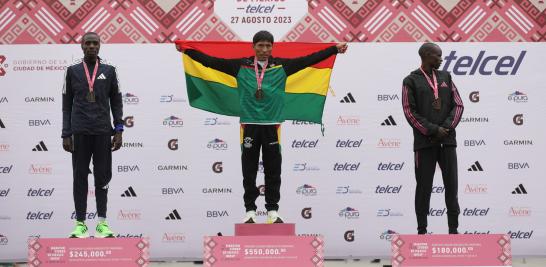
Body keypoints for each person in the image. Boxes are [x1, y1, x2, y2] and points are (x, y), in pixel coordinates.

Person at [183, 30, 347, 224]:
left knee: (273, 170)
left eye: (268, 45)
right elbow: (210, 61)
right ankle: (250, 211)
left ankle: (272, 211)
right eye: (260, 45)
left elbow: (309, 59)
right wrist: (187, 52)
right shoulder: (240, 66)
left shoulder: (282, 66)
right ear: (253, 47)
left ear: (272, 47)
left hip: (272, 126)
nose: (264, 49)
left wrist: (333, 50)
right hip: (249, 125)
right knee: (249, 170)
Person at [62, 32, 123, 238]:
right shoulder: (72, 71)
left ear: (100, 46)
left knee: (103, 176)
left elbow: (116, 101)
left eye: (95, 43)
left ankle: (102, 224)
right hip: (79, 132)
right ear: (81, 46)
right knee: (79, 177)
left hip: (103, 132)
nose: (91, 47)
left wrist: (119, 130)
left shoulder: (110, 70)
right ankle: (80, 224)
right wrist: (66, 133)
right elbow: (66, 105)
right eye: (87, 43)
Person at [402, 42, 464, 234]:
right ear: (427, 56)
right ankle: (422, 230)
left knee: (451, 187)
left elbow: (458, 105)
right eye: (438, 56)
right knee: (423, 188)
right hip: (424, 143)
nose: (441, 59)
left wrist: (445, 128)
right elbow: (409, 111)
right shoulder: (410, 80)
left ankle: (453, 230)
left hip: (447, 142)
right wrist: (432, 130)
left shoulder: (446, 77)